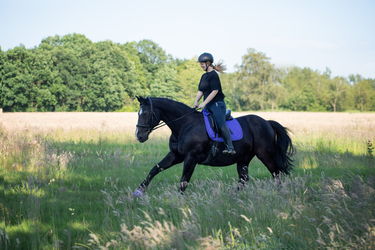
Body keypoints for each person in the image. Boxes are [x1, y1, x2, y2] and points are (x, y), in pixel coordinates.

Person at [193, 52, 236, 155]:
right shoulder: (204, 76)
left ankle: (230, 147)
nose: (201, 65)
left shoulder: (214, 75)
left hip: (217, 104)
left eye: (202, 63)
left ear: (208, 63)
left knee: (220, 124)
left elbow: (215, 91)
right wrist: (196, 101)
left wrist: (204, 103)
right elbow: (201, 91)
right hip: (207, 104)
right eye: (200, 64)